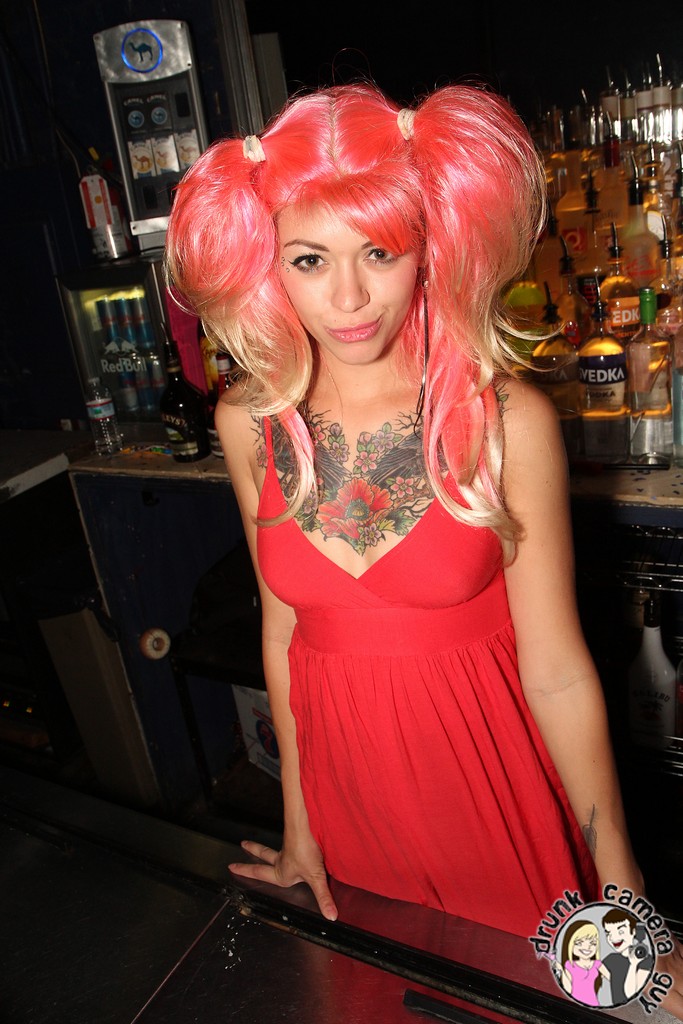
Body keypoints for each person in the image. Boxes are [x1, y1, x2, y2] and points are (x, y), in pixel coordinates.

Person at [164, 82, 682, 1005]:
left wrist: (623, 893)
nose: (349, 296)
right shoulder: (251, 421)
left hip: (493, 800)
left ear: (429, 246)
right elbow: (284, 639)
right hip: (351, 814)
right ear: (266, 264)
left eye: (379, 251)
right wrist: (300, 829)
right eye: (310, 260)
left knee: (546, 1002)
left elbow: (557, 673)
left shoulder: (506, 419)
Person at [601, 907, 654, 1005]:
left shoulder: (646, 960)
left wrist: (633, 964)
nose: (613, 938)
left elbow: (630, 994)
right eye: (608, 933)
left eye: (620, 931)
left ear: (633, 931)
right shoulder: (611, 958)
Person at [554, 920, 609, 1006]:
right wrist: (561, 970)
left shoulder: (597, 964)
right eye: (579, 943)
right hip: (573, 1004)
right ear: (570, 944)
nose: (587, 947)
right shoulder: (570, 965)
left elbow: (613, 979)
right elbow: (568, 989)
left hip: (593, 1004)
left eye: (593, 943)